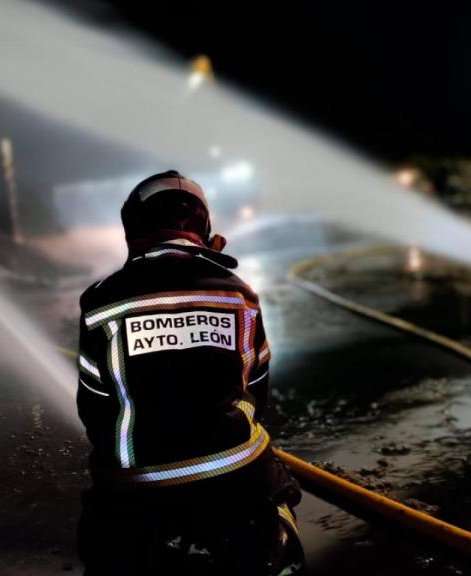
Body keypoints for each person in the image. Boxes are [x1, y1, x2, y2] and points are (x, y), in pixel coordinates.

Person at [75, 171, 304, 576]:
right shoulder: (238, 293)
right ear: (204, 227)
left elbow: (93, 407)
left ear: (134, 228)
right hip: (236, 473)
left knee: (103, 544)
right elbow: (257, 392)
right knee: (278, 504)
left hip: (137, 487)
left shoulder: (101, 300)